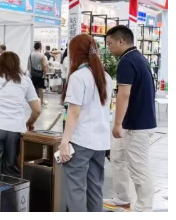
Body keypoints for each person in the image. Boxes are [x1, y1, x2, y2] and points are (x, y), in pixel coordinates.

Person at [103, 25, 156, 212]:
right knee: (117, 158)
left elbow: (123, 95)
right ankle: (123, 197)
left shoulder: (127, 61)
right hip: (132, 122)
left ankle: (144, 208)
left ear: (121, 41)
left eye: (110, 43)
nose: (108, 48)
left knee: (138, 167)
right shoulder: (137, 58)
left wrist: (117, 123)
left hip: (137, 125)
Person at [58, 34, 112, 212]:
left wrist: (64, 142)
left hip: (81, 141)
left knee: (76, 189)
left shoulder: (78, 77)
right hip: (101, 142)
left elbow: (74, 112)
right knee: (95, 188)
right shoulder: (106, 77)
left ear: (75, 53)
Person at [0, 51, 41, 179]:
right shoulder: (25, 80)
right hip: (15, 129)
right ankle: (12, 191)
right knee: (11, 167)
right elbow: (37, 110)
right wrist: (29, 123)